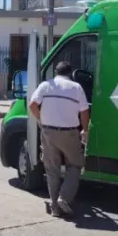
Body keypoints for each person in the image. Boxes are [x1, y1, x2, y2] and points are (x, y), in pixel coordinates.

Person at [27, 61, 90, 218]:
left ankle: (55, 207)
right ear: (70, 73)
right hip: (69, 133)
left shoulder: (45, 85)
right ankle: (64, 198)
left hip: (48, 132)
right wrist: (85, 130)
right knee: (75, 165)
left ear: (55, 72)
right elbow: (84, 111)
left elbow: (32, 105)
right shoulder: (76, 88)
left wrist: (41, 120)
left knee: (52, 170)